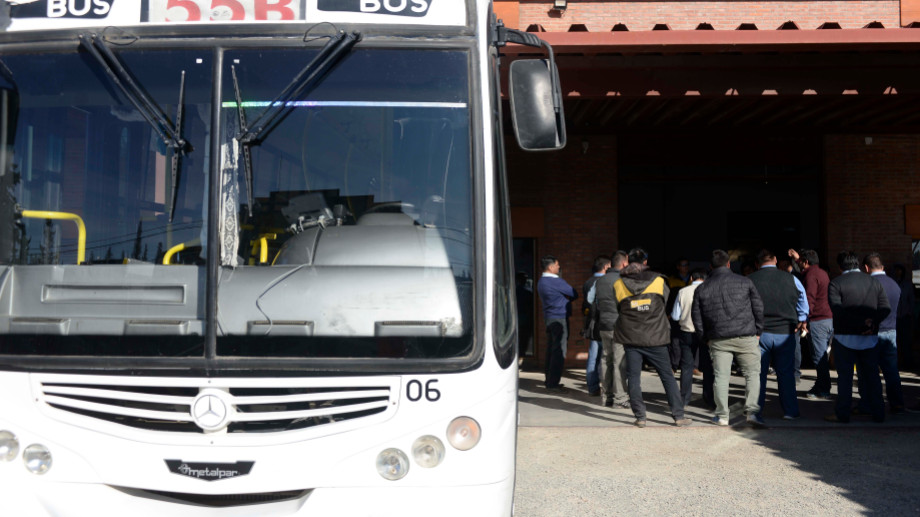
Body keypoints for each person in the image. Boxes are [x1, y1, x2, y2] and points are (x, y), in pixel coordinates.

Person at [613, 248, 691, 428]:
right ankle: (678, 416)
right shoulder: (659, 280)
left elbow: (620, 308)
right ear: (645, 262)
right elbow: (663, 303)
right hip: (656, 336)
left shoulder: (619, 284)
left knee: (633, 377)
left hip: (631, 337)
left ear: (627, 262)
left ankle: (640, 417)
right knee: (667, 377)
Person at [692, 249, 765, 428]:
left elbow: (697, 317)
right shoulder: (745, 281)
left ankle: (722, 415)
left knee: (721, 377)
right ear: (729, 264)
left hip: (718, 339)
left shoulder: (703, 288)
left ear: (710, 267)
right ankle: (752, 413)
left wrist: (705, 338)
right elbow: (758, 308)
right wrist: (758, 330)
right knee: (752, 375)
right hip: (746, 335)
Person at [825, 251, 890, 424]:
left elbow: (838, 311)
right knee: (873, 377)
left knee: (845, 378)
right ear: (858, 264)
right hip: (869, 338)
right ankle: (879, 413)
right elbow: (885, 308)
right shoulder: (873, 282)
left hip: (845, 337)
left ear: (840, 267)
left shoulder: (836, 283)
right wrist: (871, 324)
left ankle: (842, 413)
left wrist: (860, 324)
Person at [748, 249, 807, 424]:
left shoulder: (750, 280)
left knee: (758, 374)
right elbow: (803, 300)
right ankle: (790, 411)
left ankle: (754, 412)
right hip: (785, 332)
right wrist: (802, 319)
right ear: (775, 260)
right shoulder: (791, 278)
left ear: (757, 264)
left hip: (759, 333)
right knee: (786, 373)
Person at [854, 253, 905, 414]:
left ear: (867, 268)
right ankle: (897, 403)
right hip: (891, 331)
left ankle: (868, 404)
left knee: (867, 371)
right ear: (881, 267)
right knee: (891, 370)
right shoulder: (894, 284)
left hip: (873, 332)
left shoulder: (868, 284)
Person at [789, 249, 834, 400]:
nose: (799, 264)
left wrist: (804, 320)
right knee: (821, 356)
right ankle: (822, 385)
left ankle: (823, 387)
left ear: (806, 262)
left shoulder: (810, 275)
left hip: (817, 320)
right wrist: (796, 258)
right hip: (827, 319)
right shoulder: (821, 273)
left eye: (800, 261)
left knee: (818, 356)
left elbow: (809, 299)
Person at [670, 268, 712, 408]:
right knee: (707, 366)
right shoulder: (709, 290)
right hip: (706, 334)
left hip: (686, 332)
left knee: (687, 367)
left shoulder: (682, 291)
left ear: (691, 279)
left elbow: (675, 316)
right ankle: (709, 397)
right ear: (705, 279)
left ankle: (684, 399)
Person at [536, 255, 578, 392]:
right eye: (557, 265)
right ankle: (553, 382)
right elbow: (574, 293)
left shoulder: (541, 281)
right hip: (559, 318)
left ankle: (549, 379)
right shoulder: (555, 281)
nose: (559, 267)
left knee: (551, 349)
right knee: (559, 350)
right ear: (551, 266)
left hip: (549, 317)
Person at [593, 250, 629, 408]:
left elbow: (596, 303)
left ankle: (606, 397)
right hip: (619, 325)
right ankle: (620, 398)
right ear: (623, 264)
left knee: (606, 360)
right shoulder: (622, 280)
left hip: (604, 324)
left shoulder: (600, 281)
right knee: (619, 361)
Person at [582, 255, 611, 396]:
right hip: (606, 324)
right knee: (607, 358)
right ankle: (607, 387)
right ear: (606, 267)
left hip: (593, 324)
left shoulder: (588, 282)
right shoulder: (606, 282)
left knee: (593, 357)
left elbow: (586, 303)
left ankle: (593, 387)